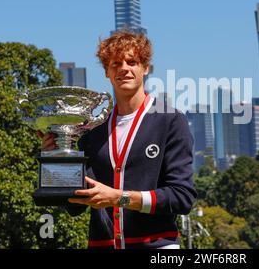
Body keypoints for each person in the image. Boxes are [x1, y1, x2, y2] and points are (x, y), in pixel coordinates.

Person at [38, 31, 196, 249]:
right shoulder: (92, 129)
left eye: (132, 62)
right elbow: (76, 206)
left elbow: (182, 197)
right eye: (116, 63)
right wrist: (56, 160)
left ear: (146, 68)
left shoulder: (170, 121)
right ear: (106, 71)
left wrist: (119, 198)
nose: (124, 68)